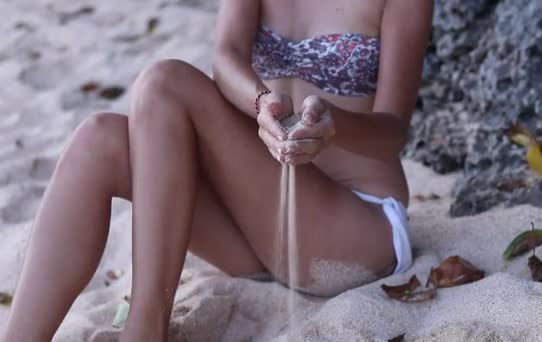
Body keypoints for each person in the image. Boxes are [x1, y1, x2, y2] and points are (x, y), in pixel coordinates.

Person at [2, 0, 433, 341]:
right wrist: (261, 102)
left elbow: (392, 133)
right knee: (99, 140)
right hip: (259, 227)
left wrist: (335, 128)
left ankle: (145, 329)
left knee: (165, 81)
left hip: (356, 229)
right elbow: (226, 58)